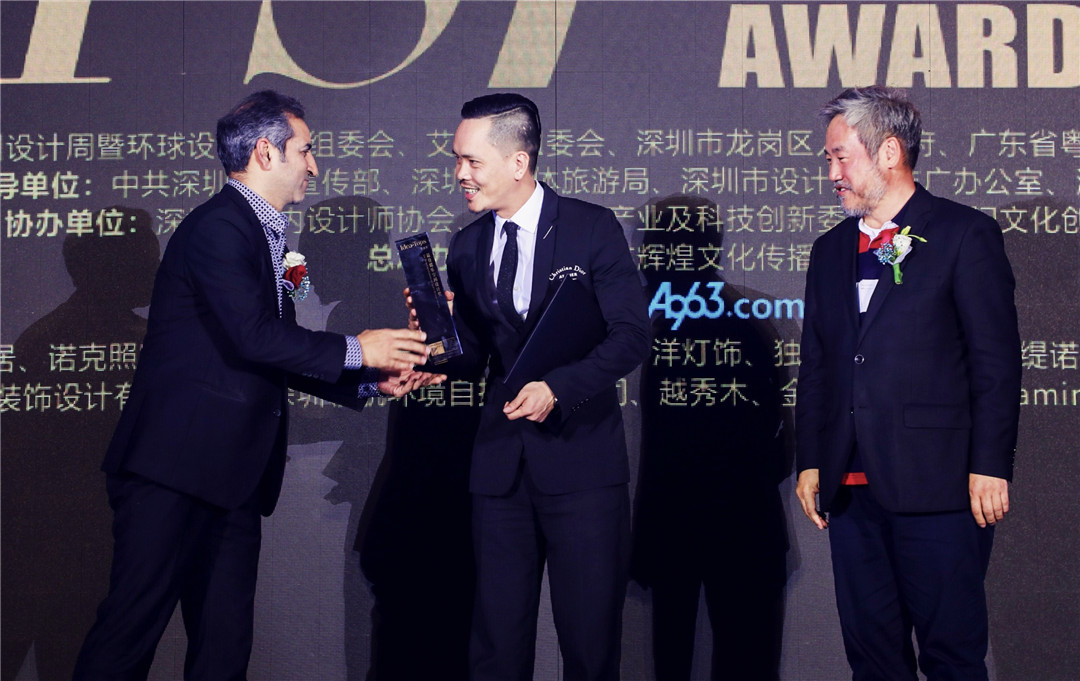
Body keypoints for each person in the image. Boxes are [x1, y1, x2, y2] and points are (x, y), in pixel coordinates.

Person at [73, 90, 437, 681]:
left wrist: (372, 382)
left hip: (230, 478)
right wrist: (359, 348)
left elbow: (277, 352)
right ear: (266, 153)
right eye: (306, 150)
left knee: (223, 649)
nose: (314, 165)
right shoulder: (220, 228)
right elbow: (254, 337)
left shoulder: (269, 238)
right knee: (128, 635)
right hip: (174, 473)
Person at [412, 93, 650, 681]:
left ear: (518, 161)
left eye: (472, 161)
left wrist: (558, 388)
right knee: (496, 645)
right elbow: (476, 358)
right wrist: (439, 346)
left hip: (582, 467)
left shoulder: (590, 228)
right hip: (500, 468)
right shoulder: (468, 243)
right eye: (456, 160)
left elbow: (631, 337)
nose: (460, 174)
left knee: (589, 646)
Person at [795, 86, 1021, 681]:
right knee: (872, 660)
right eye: (828, 160)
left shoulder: (963, 234)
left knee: (951, 656)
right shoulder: (829, 251)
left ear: (889, 152)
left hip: (939, 486)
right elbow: (817, 365)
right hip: (850, 488)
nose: (832, 174)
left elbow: (995, 363)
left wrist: (990, 464)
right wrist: (811, 459)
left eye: (842, 157)